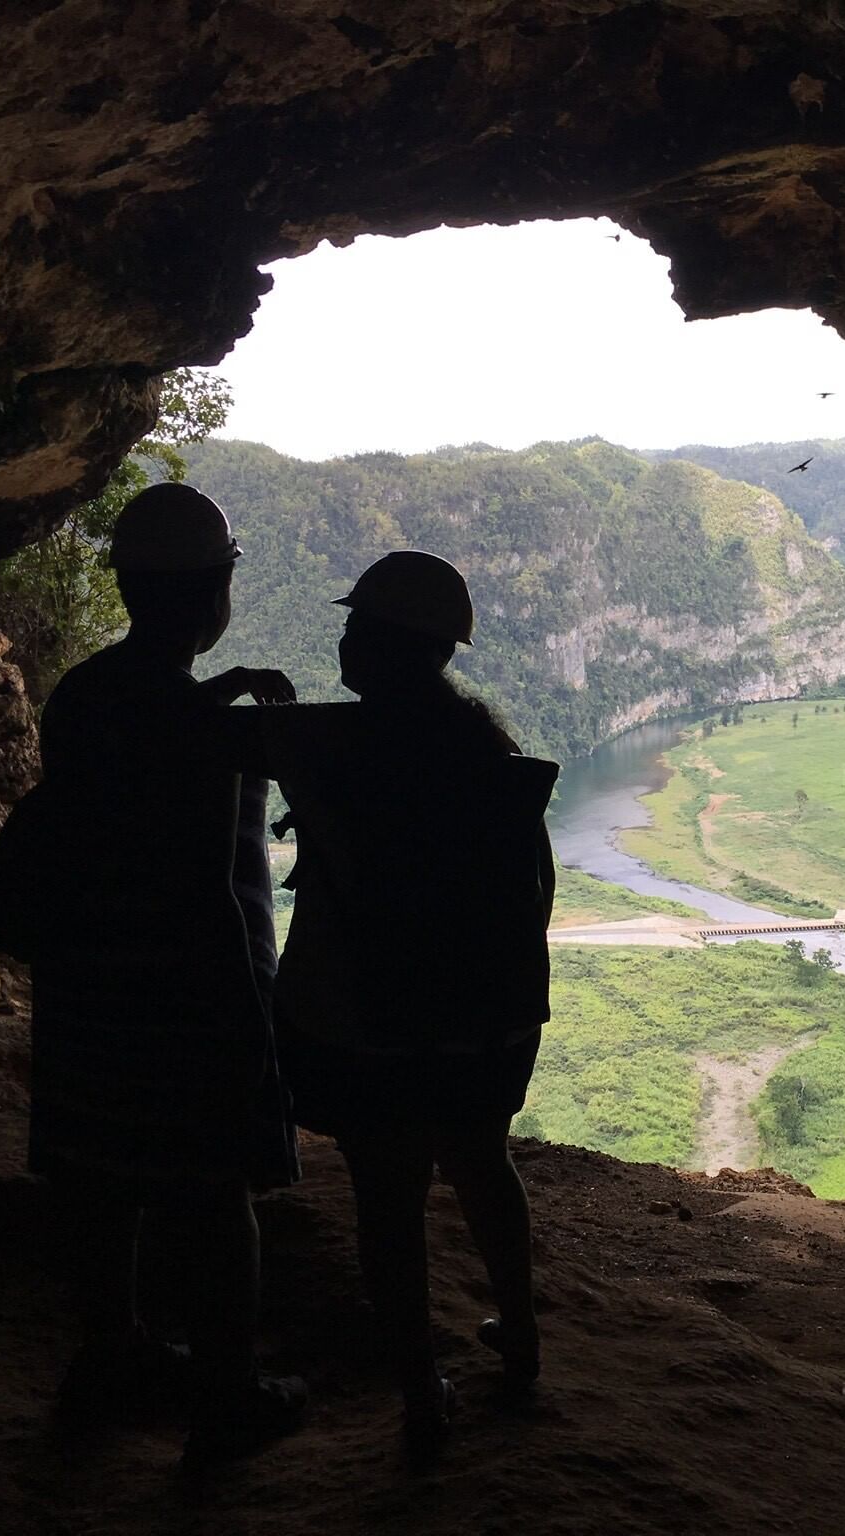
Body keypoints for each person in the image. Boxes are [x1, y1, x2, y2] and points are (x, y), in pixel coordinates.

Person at [210, 550, 558, 1464]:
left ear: (374, 643)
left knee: (389, 1199)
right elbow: (535, 890)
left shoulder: (326, 741)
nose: (343, 640)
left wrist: (231, 687)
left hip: (373, 1019)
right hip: (485, 1015)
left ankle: (420, 1393)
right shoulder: (487, 750)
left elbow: (194, 740)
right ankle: (520, 1343)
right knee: (485, 1163)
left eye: (355, 627)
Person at [27, 482, 307, 1464]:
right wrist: (252, 1023)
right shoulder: (203, 737)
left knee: (100, 1183)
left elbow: (118, 765)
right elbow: (210, 893)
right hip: (181, 1004)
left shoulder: (83, 696)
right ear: (213, 592)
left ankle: (112, 1355)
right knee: (213, 1198)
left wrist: (216, 692)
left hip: (82, 996)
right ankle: (225, 1396)